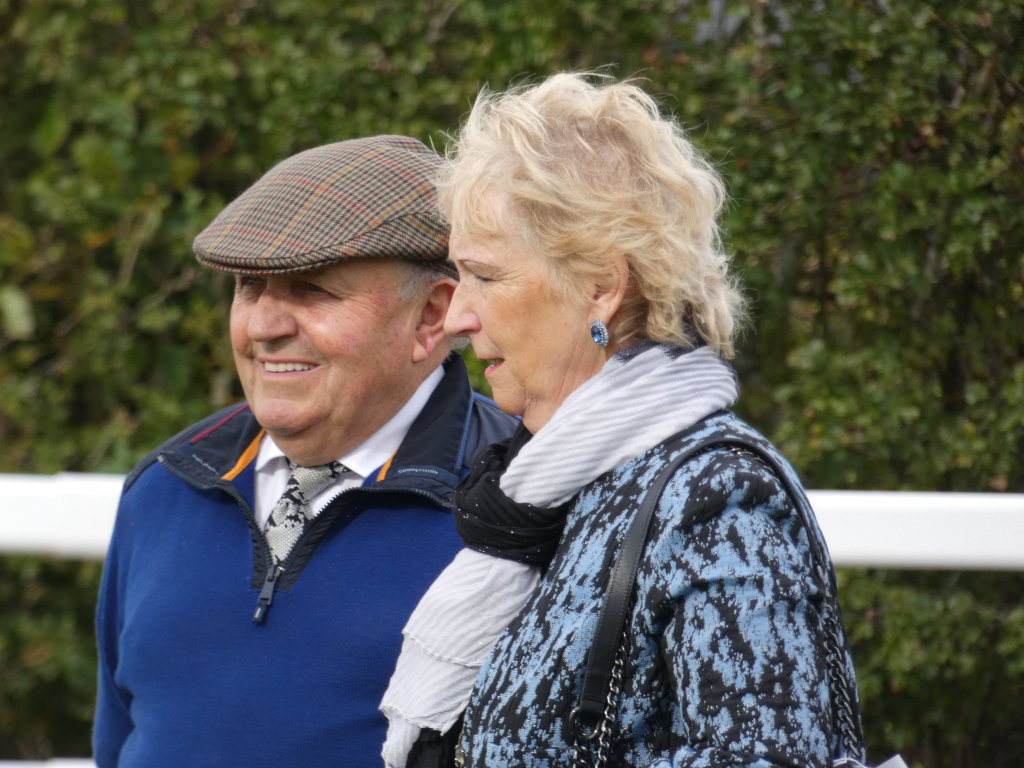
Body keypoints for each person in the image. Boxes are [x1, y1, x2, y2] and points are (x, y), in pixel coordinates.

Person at [382, 75, 866, 768]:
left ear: (602, 287)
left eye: (484, 276)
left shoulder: (720, 498)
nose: (459, 315)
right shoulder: (541, 493)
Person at [92, 136, 517, 768]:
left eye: (312, 290)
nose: (263, 326)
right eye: (248, 286)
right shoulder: (165, 489)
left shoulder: (523, 505)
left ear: (433, 317)